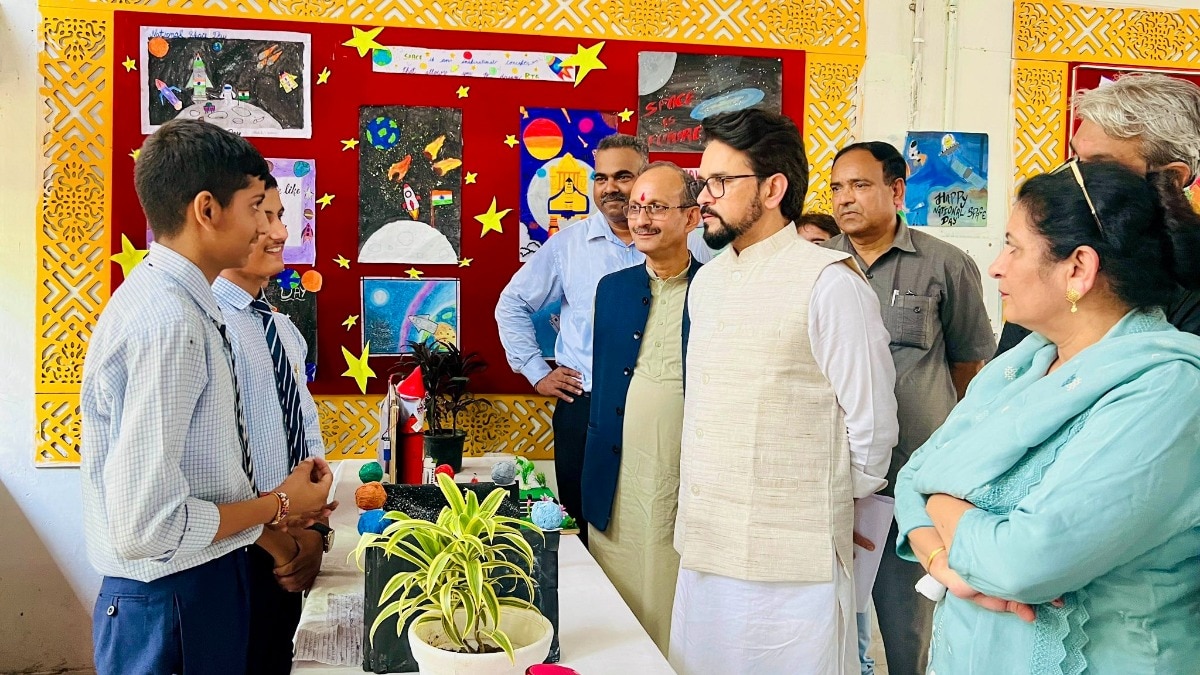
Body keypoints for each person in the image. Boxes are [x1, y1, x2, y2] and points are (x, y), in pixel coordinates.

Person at [895, 161, 1200, 673]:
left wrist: (941, 500)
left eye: (1013, 247)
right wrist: (942, 562)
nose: (996, 267)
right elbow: (911, 478)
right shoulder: (1023, 362)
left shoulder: (1168, 388)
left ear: (1078, 268)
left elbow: (1022, 562)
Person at [81, 118, 334, 675]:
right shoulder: (170, 322)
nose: (268, 227)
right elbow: (147, 526)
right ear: (207, 210)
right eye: (256, 208)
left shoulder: (189, 309)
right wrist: (279, 507)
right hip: (174, 594)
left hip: (205, 581)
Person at [669, 109, 899, 675]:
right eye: (703, 181)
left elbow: (872, 427)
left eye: (720, 182)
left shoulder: (829, 282)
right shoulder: (708, 281)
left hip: (794, 561)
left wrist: (828, 503)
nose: (705, 197)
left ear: (772, 189)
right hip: (707, 540)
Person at [826, 141, 996, 675]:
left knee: (909, 622)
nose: (844, 198)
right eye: (836, 188)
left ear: (896, 190)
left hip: (913, 475)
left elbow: (969, 364)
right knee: (828, 618)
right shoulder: (818, 265)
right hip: (832, 472)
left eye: (860, 185)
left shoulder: (945, 264)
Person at [495, 134, 714, 544]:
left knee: (664, 525)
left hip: (669, 411)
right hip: (587, 408)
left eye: (623, 176)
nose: (610, 187)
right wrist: (536, 371)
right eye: (601, 178)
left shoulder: (696, 241)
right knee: (582, 527)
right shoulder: (568, 246)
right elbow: (512, 304)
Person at [213, 173, 334, 674]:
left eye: (281, 216)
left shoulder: (282, 328)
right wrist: (280, 543)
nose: (280, 232)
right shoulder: (208, 324)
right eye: (262, 215)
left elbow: (305, 439)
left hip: (288, 551)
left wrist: (315, 532)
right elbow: (207, 472)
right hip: (231, 553)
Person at [582, 162, 703, 655]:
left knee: (672, 601)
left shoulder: (715, 290)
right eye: (636, 208)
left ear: (692, 217)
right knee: (611, 606)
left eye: (656, 207)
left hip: (682, 479)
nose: (642, 219)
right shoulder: (612, 289)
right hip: (615, 475)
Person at [995, 71, 1200, 355]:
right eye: (1076, 159)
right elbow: (1009, 367)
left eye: (1100, 165)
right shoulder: (1054, 246)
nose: (1074, 178)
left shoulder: (1189, 293)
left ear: (1173, 177)